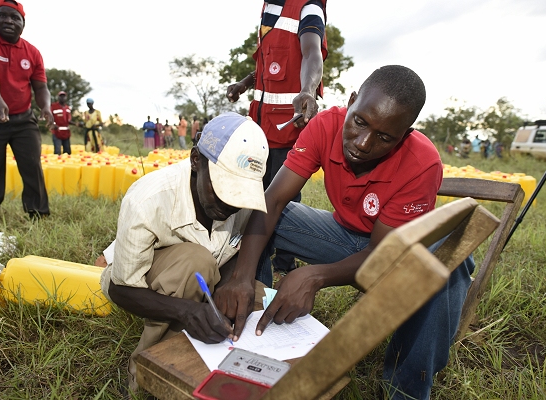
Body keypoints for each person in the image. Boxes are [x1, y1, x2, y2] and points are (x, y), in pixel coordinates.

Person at [215, 66, 476, 400]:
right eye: (360, 122)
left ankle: (406, 388)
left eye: (385, 138)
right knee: (263, 214)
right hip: (341, 236)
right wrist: (241, 275)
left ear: (406, 133)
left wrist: (315, 277)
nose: (364, 143)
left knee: (448, 260)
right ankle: (253, 326)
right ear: (351, 102)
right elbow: (275, 199)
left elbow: (383, 254)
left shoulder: (422, 162)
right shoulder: (324, 126)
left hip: (395, 253)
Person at [99, 112, 269, 393]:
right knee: (195, 263)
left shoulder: (243, 202)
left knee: (257, 297)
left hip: (202, 275)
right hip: (138, 281)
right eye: (224, 189)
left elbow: (232, 254)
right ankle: (147, 377)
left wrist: (228, 290)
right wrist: (188, 311)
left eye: (239, 194)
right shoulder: (148, 199)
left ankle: (217, 371)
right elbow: (122, 289)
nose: (230, 205)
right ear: (195, 160)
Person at [226, 0, 328, 276]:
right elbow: (267, 64)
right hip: (260, 130)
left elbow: (311, 52)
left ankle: (285, 265)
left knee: (282, 200)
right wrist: (244, 84)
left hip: (287, 128)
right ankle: (256, 257)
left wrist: (308, 89)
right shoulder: (269, 10)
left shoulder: (308, 6)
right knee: (256, 195)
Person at [0, 0, 52, 225]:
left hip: (24, 119)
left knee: (31, 165)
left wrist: (45, 107)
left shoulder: (33, 53)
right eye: (2, 15)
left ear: (23, 23)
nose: (8, 20)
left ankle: (38, 214)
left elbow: (41, 86)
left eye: (15, 17)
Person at [50, 91, 72, 155]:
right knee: (57, 151)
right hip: (57, 131)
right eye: (61, 96)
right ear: (58, 97)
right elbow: (49, 116)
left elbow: (69, 120)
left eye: (64, 96)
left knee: (67, 152)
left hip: (66, 132)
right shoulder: (53, 106)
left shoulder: (67, 108)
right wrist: (53, 124)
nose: (62, 98)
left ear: (66, 97)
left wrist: (76, 124)